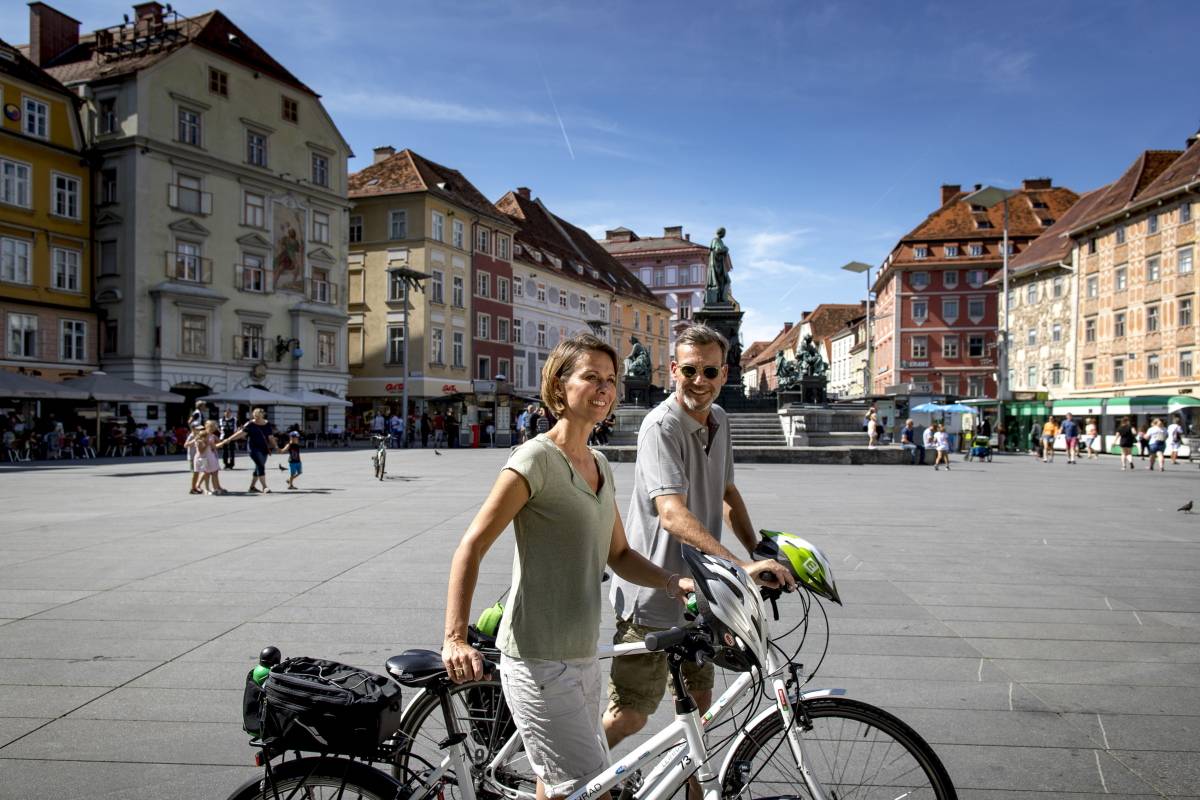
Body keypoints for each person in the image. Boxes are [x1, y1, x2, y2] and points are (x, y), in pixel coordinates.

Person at [441, 333, 694, 800]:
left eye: (611, 380)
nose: (605, 389)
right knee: (588, 790)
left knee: (556, 786)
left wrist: (671, 581)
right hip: (537, 657)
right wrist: (455, 638)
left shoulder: (598, 463)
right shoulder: (535, 459)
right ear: (559, 385)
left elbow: (618, 553)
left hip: (581, 653)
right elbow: (471, 546)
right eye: (591, 377)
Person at [604, 324, 795, 763]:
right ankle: (571, 778)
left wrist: (759, 550)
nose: (699, 380)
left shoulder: (721, 420)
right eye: (689, 369)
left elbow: (727, 493)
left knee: (700, 709)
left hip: (702, 597)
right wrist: (736, 567)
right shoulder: (660, 427)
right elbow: (671, 513)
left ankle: (694, 790)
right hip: (653, 594)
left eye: (710, 371)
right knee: (631, 713)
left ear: (724, 374)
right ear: (673, 370)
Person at [221, 407, 280, 492]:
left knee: (259, 466)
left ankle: (252, 487)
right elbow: (240, 433)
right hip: (253, 448)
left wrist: (276, 447)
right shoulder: (250, 424)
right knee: (260, 465)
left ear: (263, 416)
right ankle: (265, 487)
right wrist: (229, 439)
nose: (256, 418)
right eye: (255, 416)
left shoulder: (267, 424)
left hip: (264, 449)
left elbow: (270, 437)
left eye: (258, 417)